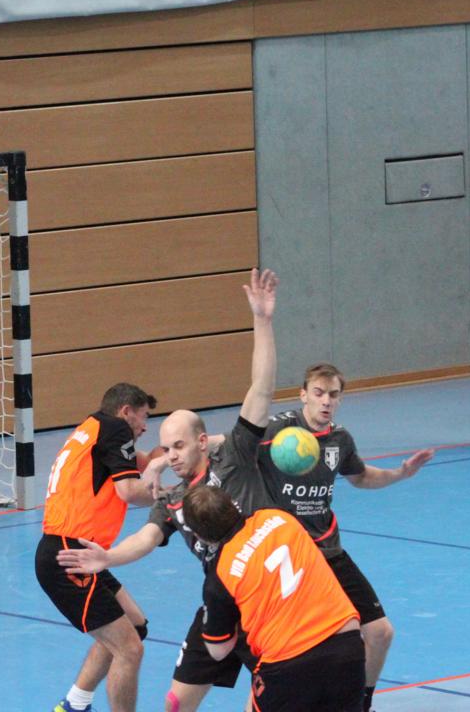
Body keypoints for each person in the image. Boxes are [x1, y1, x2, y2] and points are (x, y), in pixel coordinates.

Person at [58, 267, 279, 712]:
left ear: (202, 441)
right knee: (176, 703)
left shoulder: (236, 455)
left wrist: (262, 320)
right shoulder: (173, 499)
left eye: (179, 446)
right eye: (166, 448)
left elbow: (261, 388)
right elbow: (145, 539)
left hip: (264, 597)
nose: (172, 455)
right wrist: (107, 558)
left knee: (274, 698)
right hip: (220, 601)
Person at [256, 363, 433, 712]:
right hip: (289, 557)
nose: (326, 401)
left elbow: (361, 476)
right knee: (300, 648)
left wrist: (401, 473)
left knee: (380, 633)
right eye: (319, 393)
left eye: (333, 395)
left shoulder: (340, 439)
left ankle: (361, 704)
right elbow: (229, 444)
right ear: (303, 395)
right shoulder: (277, 430)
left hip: (328, 549)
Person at [184, 484, 366, 712]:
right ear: (232, 504)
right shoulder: (279, 517)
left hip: (288, 665)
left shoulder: (220, 576)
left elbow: (218, 651)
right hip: (346, 645)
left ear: (198, 535)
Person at [35, 381, 160, 712]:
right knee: (129, 649)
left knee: (134, 625)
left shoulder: (93, 429)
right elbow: (129, 491)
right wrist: (173, 498)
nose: (145, 426)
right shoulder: (116, 429)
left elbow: (146, 461)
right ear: (126, 412)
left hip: (81, 551)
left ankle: (75, 704)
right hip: (69, 556)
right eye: (144, 417)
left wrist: (174, 454)